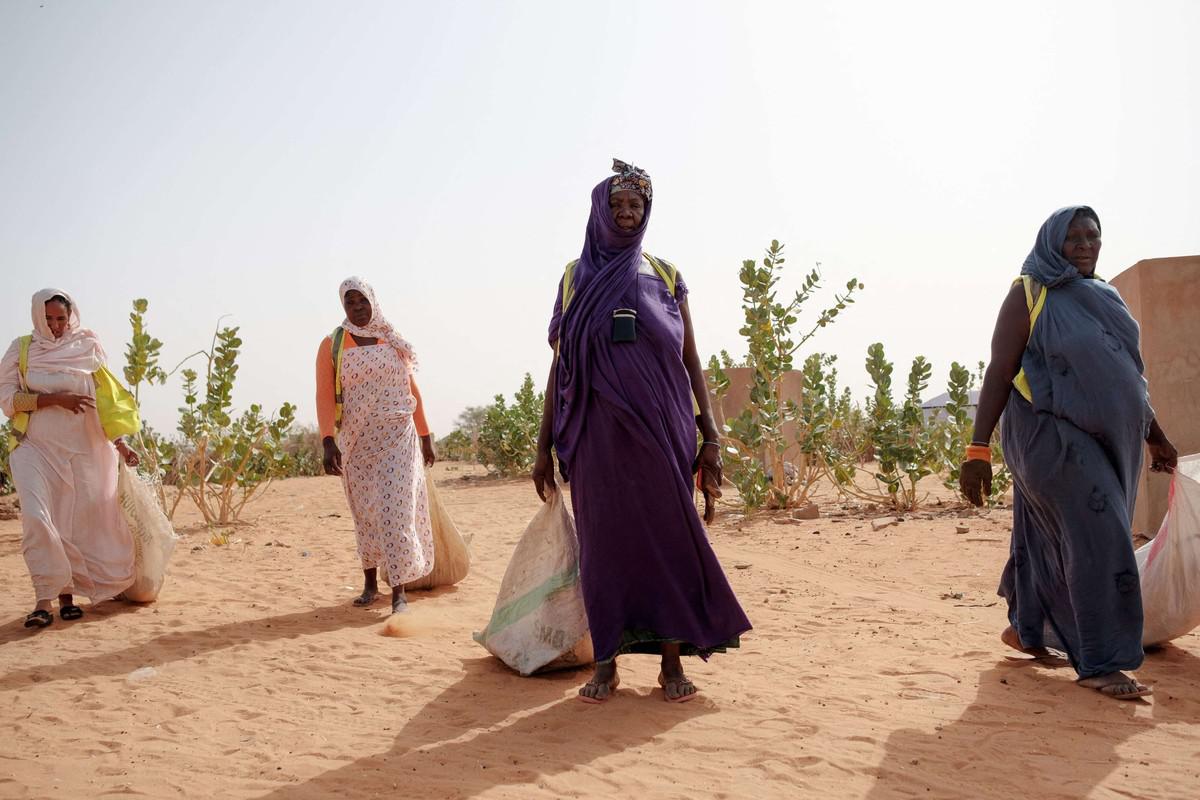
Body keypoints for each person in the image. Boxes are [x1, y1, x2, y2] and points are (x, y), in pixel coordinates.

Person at [532, 159, 751, 704]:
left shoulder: (666, 274)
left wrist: (712, 437)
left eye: (637, 206)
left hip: (666, 431)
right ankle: (605, 664)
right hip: (595, 437)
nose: (627, 214)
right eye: (618, 205)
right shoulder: (574, 277)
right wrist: (542, 445)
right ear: (599, 211)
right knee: (604, 551)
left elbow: (691, 359)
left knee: (669, 546)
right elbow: (560, 367)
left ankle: (671, 664)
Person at [961, 206, 1178, 700]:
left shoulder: (1107, 297)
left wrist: (1154, 434)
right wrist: (977, 449)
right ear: (1052, 242)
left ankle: (1027, 629)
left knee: (1044, 533)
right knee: (1101, 533)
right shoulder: (1030, 292)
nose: (1085, 245)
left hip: (1107, 438)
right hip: (1043, 432)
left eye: (1093, 236)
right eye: (1074, 237)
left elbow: (1129, 377)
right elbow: (999, 370)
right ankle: (1103, 659)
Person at [0, 289, 141, 628]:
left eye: (61, 318)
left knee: (72, 525)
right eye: (48, 319)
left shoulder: (88, 345)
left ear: (71, 315)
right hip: (34, 447)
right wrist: (53, 400)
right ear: (37, 317)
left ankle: (66, 599)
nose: (56, 326)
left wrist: (121, 444)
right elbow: (7, 399)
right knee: (37, 518)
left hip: (82, 449)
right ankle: (42, 599)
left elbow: (103, 400)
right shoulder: (22, 349)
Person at [316, 277, 436, 614]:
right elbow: (324, 394)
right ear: (343, 307)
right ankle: (370, 582)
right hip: (356, 443)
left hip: (399, 438)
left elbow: (412, 389)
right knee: (366, 513)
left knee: (394, 512)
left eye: (362, 300)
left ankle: (399, 591)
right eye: (350, 302)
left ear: (373, 301)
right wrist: (328, 441)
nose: (357, 307)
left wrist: (425, 435)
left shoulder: (392, 339)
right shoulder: (332, 345)